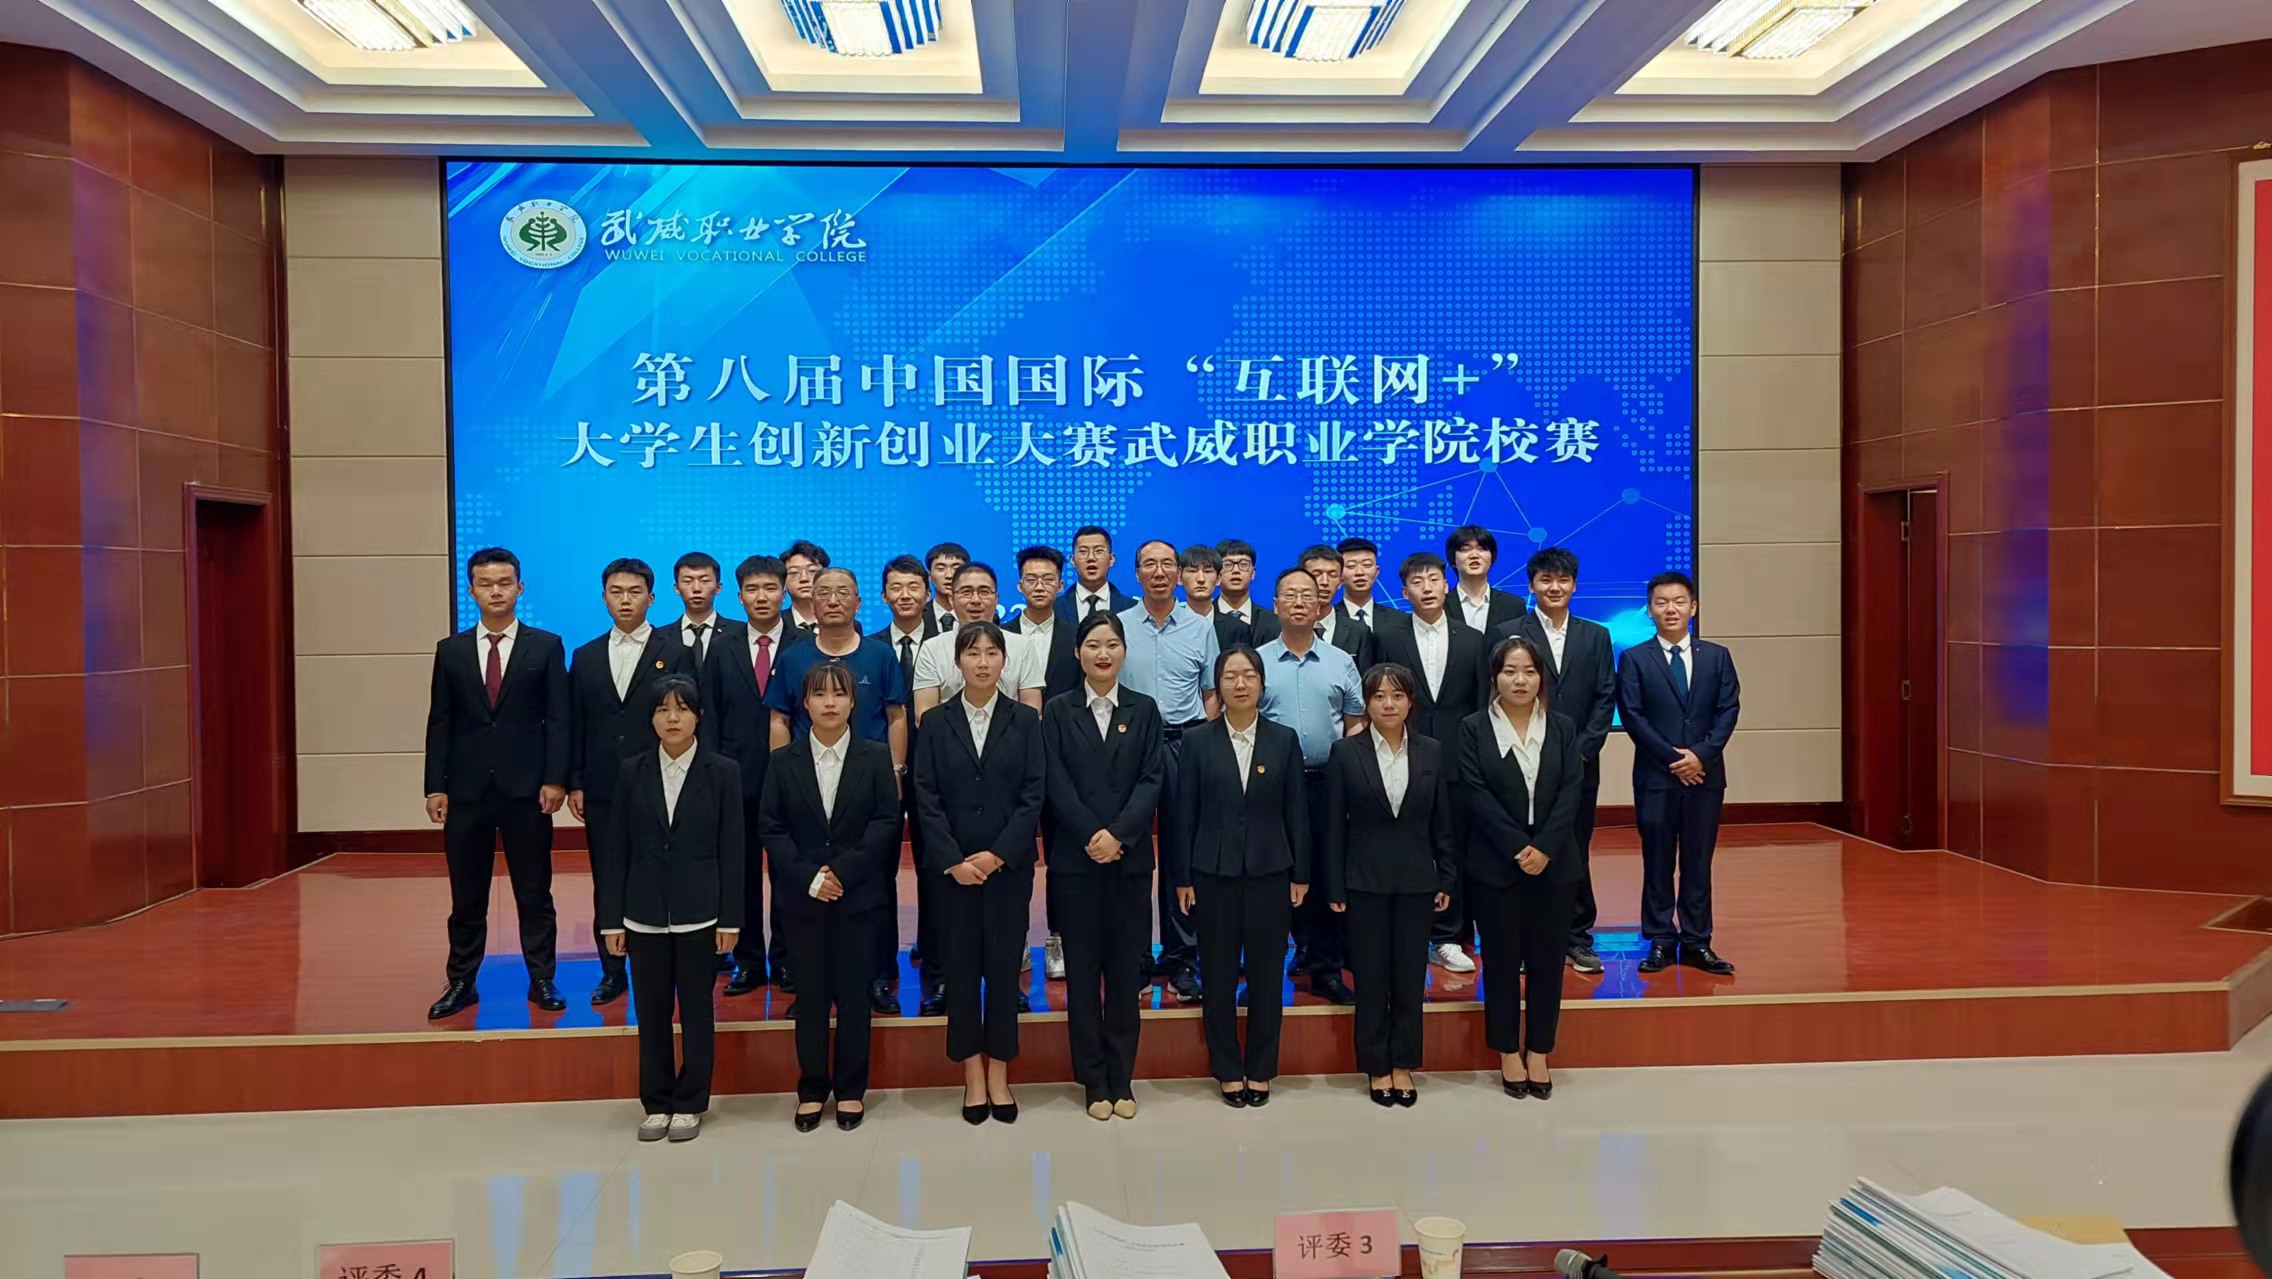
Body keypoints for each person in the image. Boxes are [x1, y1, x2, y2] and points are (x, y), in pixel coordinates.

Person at [423, 547, 570, 1020]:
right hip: (466, 792)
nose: (496, 591)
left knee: (534, 892)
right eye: (485, 584)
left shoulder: (545, 646)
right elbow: (440, 722)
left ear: (519, 588)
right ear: (471, 591)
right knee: (467, 897)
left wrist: (556, 779)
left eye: (505, 583)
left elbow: (559, 719)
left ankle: (542, 978)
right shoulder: (451, 650)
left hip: (527, 791)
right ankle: (461, 982)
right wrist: (435, 786)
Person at [594, 677, 741, 1142]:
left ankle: (691, 1101)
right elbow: (615, 851)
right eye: (662, 710)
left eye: (682, 709)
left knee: (697, 1011)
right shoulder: (631, 770)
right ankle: (656, 1102)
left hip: (702, 911)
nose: (672, 718)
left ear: (699, 716)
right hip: (643, 912)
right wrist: (611, 919)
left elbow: (733, 850)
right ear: (651, 718)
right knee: (651, 1012)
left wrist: (731, 917)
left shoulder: (723, 772)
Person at [760, 661, 904, 1132]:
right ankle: (811, 1088)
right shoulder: (783, 761)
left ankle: (850, 1090)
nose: (829, 703)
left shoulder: (875, 756)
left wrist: (841, 871)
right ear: (804, 703)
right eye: (819, 694)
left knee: (856, 997)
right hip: (803, 899)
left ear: (852, 702)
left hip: (858, 896)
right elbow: (772, 828)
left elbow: (886, 821)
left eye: (838, 694)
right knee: (811, 997)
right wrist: (811, 877)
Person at [913, 622, 1047, 1125]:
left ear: (1005, 662)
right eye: (973, 654)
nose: (983, 662)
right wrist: (953, 859)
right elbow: (925, 795)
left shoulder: (1025, 720)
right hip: (953, 872)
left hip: (1007, 869)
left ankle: (1000, 1073)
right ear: (958, 662)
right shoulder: (935, 721)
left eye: (993, 653)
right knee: (962, 971)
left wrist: (998, 855)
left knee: (1005, 970)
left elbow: (1034, 793)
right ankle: (972, 1072)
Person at [1041, 611, 1166, 1120]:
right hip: (1076, 861)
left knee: (1124, 973)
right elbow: (1054, 781)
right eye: (1093, 644)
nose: (1103, 653)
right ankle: (1093, 1080)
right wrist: (1093, 835)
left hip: (1129, 860)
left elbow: (1152, 779)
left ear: (1123, 651)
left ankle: (1122, 1077)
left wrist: (1118, 835)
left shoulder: (1144, 709)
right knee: (1083, 973)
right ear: (1078, 652)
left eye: (1112, 644)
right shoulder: (1057, 710)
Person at [1170, 646, 1308, 1108]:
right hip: (1213, 872)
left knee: (1267, 975)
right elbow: (1184, 814)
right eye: (1230, 676)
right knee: (1218, 973)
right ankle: (1228, 1068)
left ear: (1262, 683)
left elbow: (1296, 811)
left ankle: (1262, 1068)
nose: (1240, 684)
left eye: (1249, 675)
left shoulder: (1283, 739)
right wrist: (1183, 877)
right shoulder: (1197, 741)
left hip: (1271, 870)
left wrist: (1301, 872)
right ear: (1218, 686)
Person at [767, 567, 911, 1004]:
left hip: (867, 790)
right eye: (824, 592)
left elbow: (897, 716)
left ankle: (878, 975)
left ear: (858, 602)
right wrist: (783, 778)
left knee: (875, 884)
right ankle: (803, 978)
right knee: (802, 881)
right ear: (811, 601)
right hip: (808, 792)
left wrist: (896, 775)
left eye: (842, 592)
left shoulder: (880, 654)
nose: (832, 600)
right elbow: (779, 720)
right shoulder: (793, 656)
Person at [1454, 635, 1582, 1101]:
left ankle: (1540, 1050)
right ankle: (1508, 1049)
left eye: (1529, 671)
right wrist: (1517, 847)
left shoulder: (1562, 727)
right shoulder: (1473, 728)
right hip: (1496, 862)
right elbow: (1474, 793)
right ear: (1495, 677)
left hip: (1555, 862)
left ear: (1541, 677)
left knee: (1548, 962)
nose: (1520, 680)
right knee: (1502, 962)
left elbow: (1571, 789)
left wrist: (1544, 847)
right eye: (1510, 671)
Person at [567, 557, 697, 1006]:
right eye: (616, 592)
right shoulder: (584, 656)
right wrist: (576, 781)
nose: (625, 600)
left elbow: (688, 715)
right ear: (604, 598)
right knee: (609, 874)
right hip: (602, 787)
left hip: (661, 782)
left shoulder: (674, 650)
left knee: (662, 870)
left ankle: (663, 962)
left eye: (635, 591)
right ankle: (611, 970)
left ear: (652, 598)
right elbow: (576, 724)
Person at [1324, 663, 1454, 1107]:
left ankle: (1404, 1063)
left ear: (1410, 702)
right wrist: (1335, 886)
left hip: (1417, 880)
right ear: (1367, 703)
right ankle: (1376, 1065)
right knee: (1371, 976)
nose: (1388, 704)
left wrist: (1446, 875)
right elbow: (1334, 826)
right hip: (1364, 881)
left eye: (1397, 696)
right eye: (1379, 696)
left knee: (1409, 976)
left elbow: (1443, 822)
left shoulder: (1432, 751)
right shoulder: (1346, 753)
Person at [1487, 547, 1617, 975]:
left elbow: (1605, 697)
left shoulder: (1595, 635)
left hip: (1579, 764)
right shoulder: (1509, 632)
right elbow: (1496, 693)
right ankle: (1526, 941)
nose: (1554, 587)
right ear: (1532, 585)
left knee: (1574, 847)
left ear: (1574, 585)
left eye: (1562, 580)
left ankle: (1576, 937)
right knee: (1524, 847)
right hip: (1521, 762)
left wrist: (1580, 752)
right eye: (1545, 580)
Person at [1618, 571, 1741, 977]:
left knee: (1698, 861)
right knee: (1656, 861)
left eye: (1678, 601)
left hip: (1705, 777)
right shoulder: (1635, 658)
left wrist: (1701, 756)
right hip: (1656, 777)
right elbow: (1633, 716)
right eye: (1661, 602)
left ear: (1693, 607)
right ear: (1650, 610)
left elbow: (1728, 709)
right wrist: (1675, 758)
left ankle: (1696, 941)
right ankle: (1659, 939)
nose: (1670, 609)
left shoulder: (1717, 656)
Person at [1118, 539, 1221, 1003]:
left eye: (1167, 564)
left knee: (1184, 856)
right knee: (1132, 855)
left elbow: (1211, 693)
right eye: (1149, 565)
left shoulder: (1201, 627)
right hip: (1130, 749)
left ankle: (1181, 959)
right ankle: (1135, 959)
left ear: (1179, 573)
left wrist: (1206, 747)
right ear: (1136, 572)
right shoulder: (1117, 626)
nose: (1159, 572)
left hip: (1185, 743)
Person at [1258, 567, 1366, 1006]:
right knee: (1270, 877)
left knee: (1324, 876)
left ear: (1321, 604)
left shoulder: (1341, 661)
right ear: (1276, 604)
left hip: (1326, 782)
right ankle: (1264, 972)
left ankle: (1325, 969)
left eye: (1308, 594)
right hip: (1271, 786)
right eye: (1290, 595)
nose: (1299, 602)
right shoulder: (1257, 662)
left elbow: (1356, 722)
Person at [705, 554, 811, 998]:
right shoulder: (722, 646)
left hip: (795, 779)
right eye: (752, 589)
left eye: (770, 588)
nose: (762, 597)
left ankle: (788, 961)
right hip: (736, 778)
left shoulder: (805, 645)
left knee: (790, 873)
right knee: (741, 874)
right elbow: (710, 715)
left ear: (784, 593)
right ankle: (748, 963)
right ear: (739, 596)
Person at [1376, 552, 1483, 974]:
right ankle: (1406, 931)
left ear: (1446, 585)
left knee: (1451, 846)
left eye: (1434, 579)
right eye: (1417, 582)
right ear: (1404, 592)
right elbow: (1380, 696)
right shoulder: (1389, 636)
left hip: (1458, 759)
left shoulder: (1471, 638)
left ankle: (1449, 936)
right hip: (1404, 754)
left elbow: (1480, 704)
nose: (1427, 588)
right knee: (1406, 842)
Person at [1006, 545, 1079, 982]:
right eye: (1031, 579)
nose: (1039, 586)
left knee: (1061, 855)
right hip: (1009, 763)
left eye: (1047, 579)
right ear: (1019, 585)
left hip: (1063, 761)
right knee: (1013, 853)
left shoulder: (1077, 637)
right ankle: (1013, 937)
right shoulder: (997, 636)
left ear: (1060, 584)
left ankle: (1059, 937)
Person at [873, 553, 935, 1013]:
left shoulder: (950, 643)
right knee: (880, 869)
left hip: (937, 773)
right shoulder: (869, 646)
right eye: (896, 587)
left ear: (928, 593)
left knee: (935, 865)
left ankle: (935, 951)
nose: (905, 595)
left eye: (914, 587)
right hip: (883, 773)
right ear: (883, 595)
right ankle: (882, 960)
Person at [912, 563, 1046, 719]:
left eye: (984, 592)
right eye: (966, 592)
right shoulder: (932, 648)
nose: (975, 600)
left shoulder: (1022, 646)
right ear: (951, 599)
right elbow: (924, 716)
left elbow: (1032, 710)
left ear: (996, 599)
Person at [1298, 544, 1375, 670]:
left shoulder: (1359, 632)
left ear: (1340, 582)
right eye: (1316, 574)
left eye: (1332, 575)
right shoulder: (1282, 629)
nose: (1324, 582)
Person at [663, 551, 740, 669]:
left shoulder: (739, 633)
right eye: (688, 581)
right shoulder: (660, 638)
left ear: (718, 587)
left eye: (705, 581)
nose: (696, 588)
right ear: (677, 588)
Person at [1334, 537, 1411, 653]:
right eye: (1351, 566)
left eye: (1367, 565)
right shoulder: (1331, 619)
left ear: (1377, 571)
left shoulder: (1400, 621)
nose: (1360, 572)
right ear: (1339, 572)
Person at [1445, 525, 1525, 635]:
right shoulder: (1441, 605)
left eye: (1482, 549)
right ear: (1453, 560)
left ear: (1492, 558)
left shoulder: (1514, 605)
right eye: (1465, 549)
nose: (1474, 555)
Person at [1056, 525, 1136, 623]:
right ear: (1072, 560)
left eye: (1099, 551)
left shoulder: (1132, 608)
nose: (1091, 558)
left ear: (1111, 559)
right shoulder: (1054, 608)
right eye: (1083, 552)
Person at [1180, 544, 1250, 650]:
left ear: (1219, 579)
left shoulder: (1238, 628)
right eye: (1192, 571)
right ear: (1179, 578)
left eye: (1208, 571)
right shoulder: (1170, 626)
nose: (1201, 579)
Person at [1214, 539, 1281, 644]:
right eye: (1227, 565)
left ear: (1253, 573)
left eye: (1243, 564)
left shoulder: (1272, 621)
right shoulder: (1205, 618)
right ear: (1217, 573)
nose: (1236, 570)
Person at [781, 539, 830, 630]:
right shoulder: (774, 625)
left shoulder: (847, 626)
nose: (804, 579)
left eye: (812, 571)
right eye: (794, 572)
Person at [923, 542, 970, 637]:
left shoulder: (978, 614)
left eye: (956, 568)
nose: (949, 575)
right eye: (941, 569)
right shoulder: (917, 616)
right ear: (929, 576)